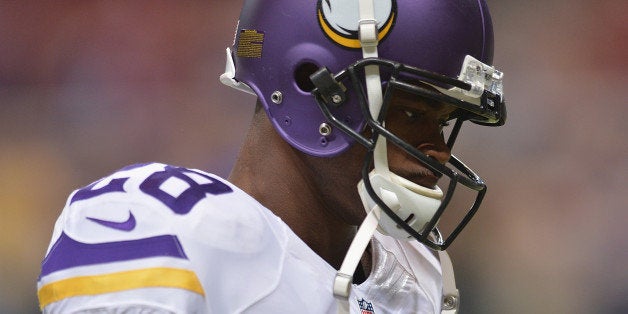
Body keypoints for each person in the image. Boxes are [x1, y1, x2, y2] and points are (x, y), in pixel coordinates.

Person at [37, 0, 506, 313]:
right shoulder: (175, 229)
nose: (440, 152)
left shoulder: (414, 274)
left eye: (443, 121)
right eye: (410, 110)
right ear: (308, 82)